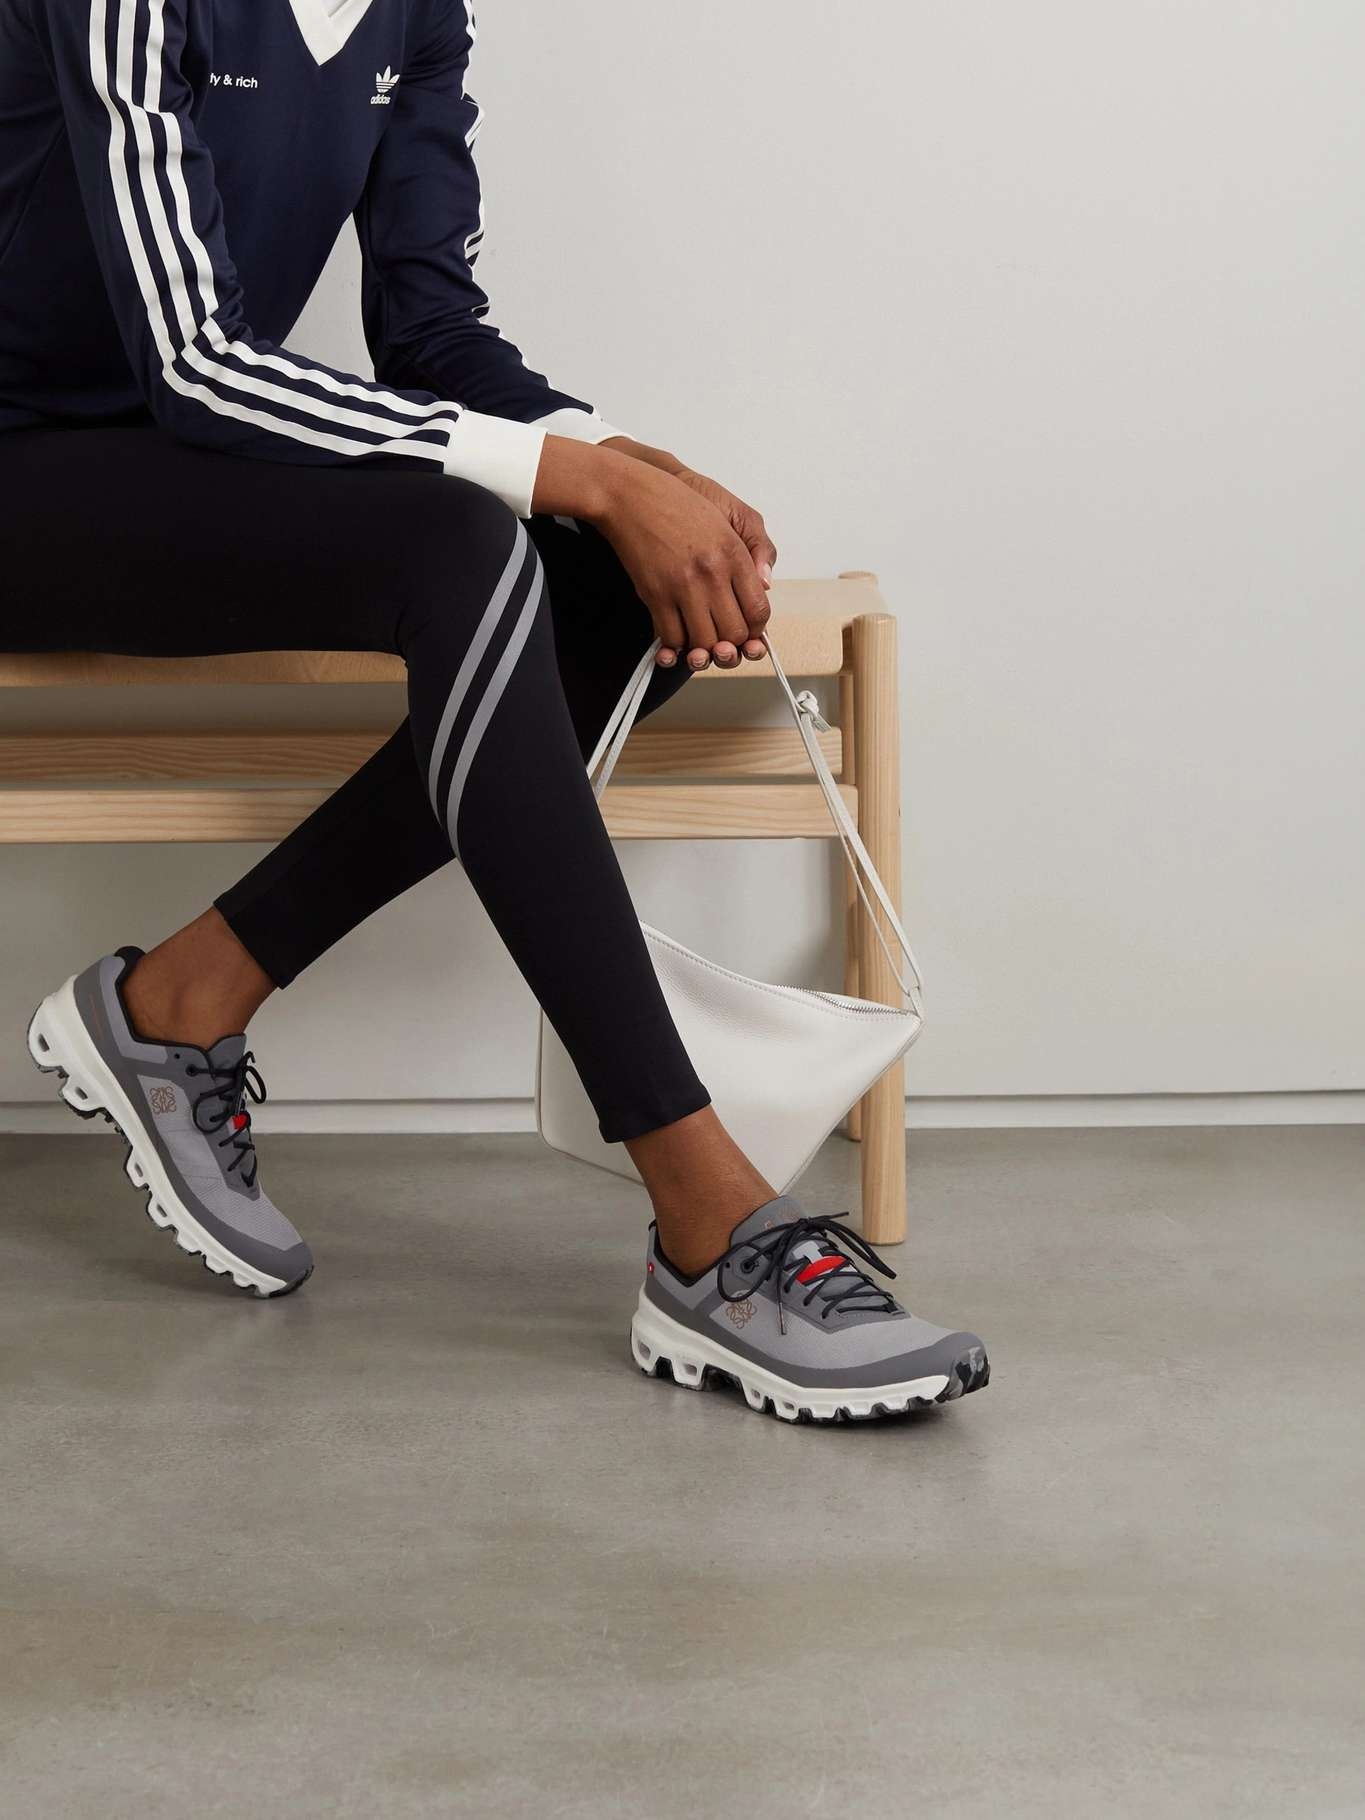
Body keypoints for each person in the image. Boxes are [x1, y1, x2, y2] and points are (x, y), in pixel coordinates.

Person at [1, 0, 989, 1421]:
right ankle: (707, 1221)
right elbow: (197, 361)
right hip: (28, 469)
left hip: (178, 472)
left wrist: (622, 471)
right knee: (460, 543)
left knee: (619, 586)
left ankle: (182, 1000)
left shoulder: (418, 10)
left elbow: (430, 326)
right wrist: (579, 480)